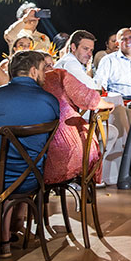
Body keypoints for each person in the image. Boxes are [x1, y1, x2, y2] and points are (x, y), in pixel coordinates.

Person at [0, 50, 59, 243]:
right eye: (44, 70)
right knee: (22, 166)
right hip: (31, 180)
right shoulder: (51, 102)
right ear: (34, 71)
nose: (45, 75)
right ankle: (15, 223)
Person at [39, 51, 105, 185]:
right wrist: (108, 104)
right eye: (46, 66)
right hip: (64, 151)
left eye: (52, 65)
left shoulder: (30, 86)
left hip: (34, 156)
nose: (51, 69)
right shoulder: (58, 76)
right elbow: (88, 98)